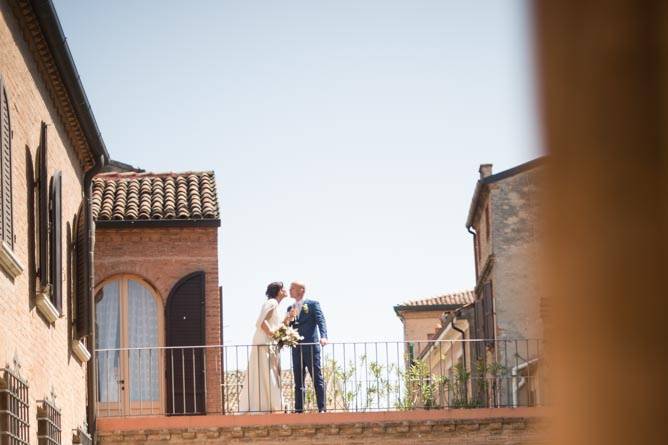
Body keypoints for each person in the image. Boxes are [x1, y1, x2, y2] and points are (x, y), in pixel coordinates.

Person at [239, 281, 291, 413]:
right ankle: (269, 405)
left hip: (268, 342)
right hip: (264, 342)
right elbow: (262, 322)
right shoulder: (272, 302)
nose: (285, 290)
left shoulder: (275, 305)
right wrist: (272, 334)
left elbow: (274, 325)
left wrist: (287, 320)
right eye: (283, 288)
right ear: (278, 291)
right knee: (266, 371)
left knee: (267, 372)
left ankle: (267, 404)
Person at [286, 281, 328, 412]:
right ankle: (299, 409)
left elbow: (321, 320)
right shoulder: (290, 308)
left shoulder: (312, 304)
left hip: (311, 346)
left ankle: (322, 408)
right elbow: (287, 327)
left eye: (292, 288)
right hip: (296, 348)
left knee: (316, 376)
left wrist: (324, 336)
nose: (290, 290)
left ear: (301, 290)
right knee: (298, 379)